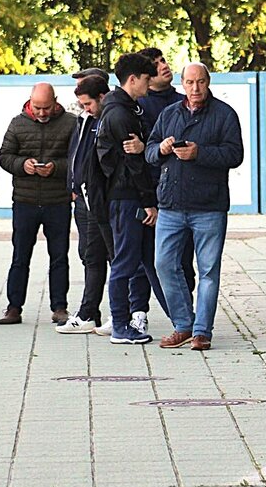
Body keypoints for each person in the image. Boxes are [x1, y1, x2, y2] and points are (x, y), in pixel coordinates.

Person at [147, 62, 244, 351]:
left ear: (208, 81)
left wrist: (199, 153)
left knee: (208, 271)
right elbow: (150, 151)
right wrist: (161, 149)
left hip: (209, 205)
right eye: (190, 82)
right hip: (171, 204)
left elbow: (235, 154)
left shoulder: (224, 114)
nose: (195, 88)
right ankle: (183, 324)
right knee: (163, 264)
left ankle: (202, 331)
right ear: (182, 83)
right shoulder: (170, 113)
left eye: (200, 82)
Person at [97, 52, 169, 344]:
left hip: (127, 196)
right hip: (127, 198)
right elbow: (132, 163)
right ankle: (120, 325)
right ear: (132, 79)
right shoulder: (120, 113)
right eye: (146, 78)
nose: (149, 83)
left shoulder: (125, 109)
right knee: (125, 261)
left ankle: (181, 320)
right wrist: (147, 201)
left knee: (147, 260)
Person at [0, 82, 79, 326]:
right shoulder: (17, 123)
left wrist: (57, 169)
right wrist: (23, 165)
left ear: (55, 101)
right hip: (25, 200)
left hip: (58, 200)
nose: (42, 113)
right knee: (20, 255)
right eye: (37, 107)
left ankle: (59, 306)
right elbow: (4, 156)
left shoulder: (71, 122)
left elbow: (76, 158)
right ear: (29, 102)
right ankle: (14, 307)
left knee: (59, 256)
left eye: (46, 107)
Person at [56, 70, 115, 336]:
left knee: (114, 257)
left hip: (102, 199)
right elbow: (76, 154)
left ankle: (116, 312)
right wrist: (73, 186)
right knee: (90, 255)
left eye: (88, 102)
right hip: (82, 198)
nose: (85, 108)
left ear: (102, 95)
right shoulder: (84, 119)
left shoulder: (110, 119)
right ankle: (90, 312)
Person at [139, 46, 197, 294]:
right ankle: (138, 314)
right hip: (150, 192)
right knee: (146, 261)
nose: (164, 66)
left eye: (163, 60)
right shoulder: (138, 105)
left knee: (184, 262)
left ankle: (186, 316)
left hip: (184, 193)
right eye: (155, 64)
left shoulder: (183, 103)